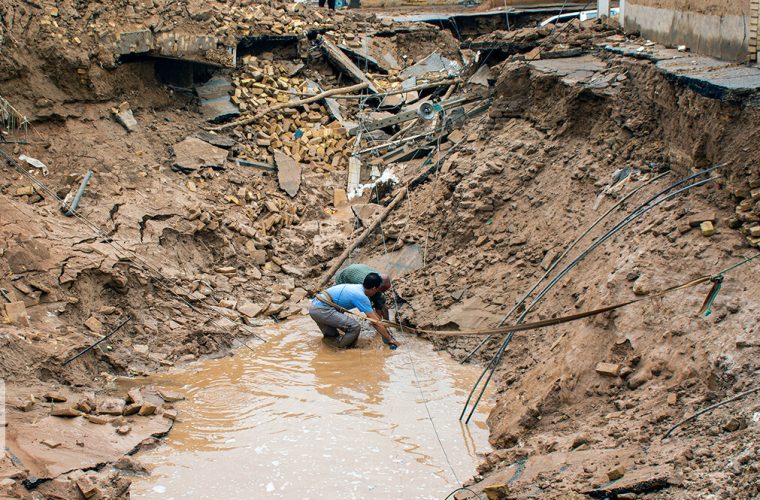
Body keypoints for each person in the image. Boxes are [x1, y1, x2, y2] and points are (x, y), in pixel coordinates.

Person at [310, 273, 399, 349]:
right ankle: (342, 351)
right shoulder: (361, 296)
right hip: (322, 309)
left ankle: (329, 352)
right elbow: (375, 322)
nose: (376, 293)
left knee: (331, 338)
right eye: (377, 290)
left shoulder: (357, 287)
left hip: (315, 306)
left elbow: (374, 317)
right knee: (354, 327)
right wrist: (389, 339)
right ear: (374, 288)